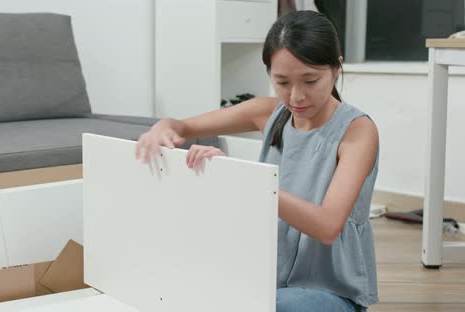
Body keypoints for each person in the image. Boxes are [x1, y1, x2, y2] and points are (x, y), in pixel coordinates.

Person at [135, 10, 378, 312]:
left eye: (310, 80)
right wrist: (163, 127)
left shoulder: (357, 130)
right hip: (264, 279)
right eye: (282, 82)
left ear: (336, 68)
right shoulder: (269, 112)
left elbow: (327, 226)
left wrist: (239, 177)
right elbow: (180, 126)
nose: (296, 96)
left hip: (331, 291)